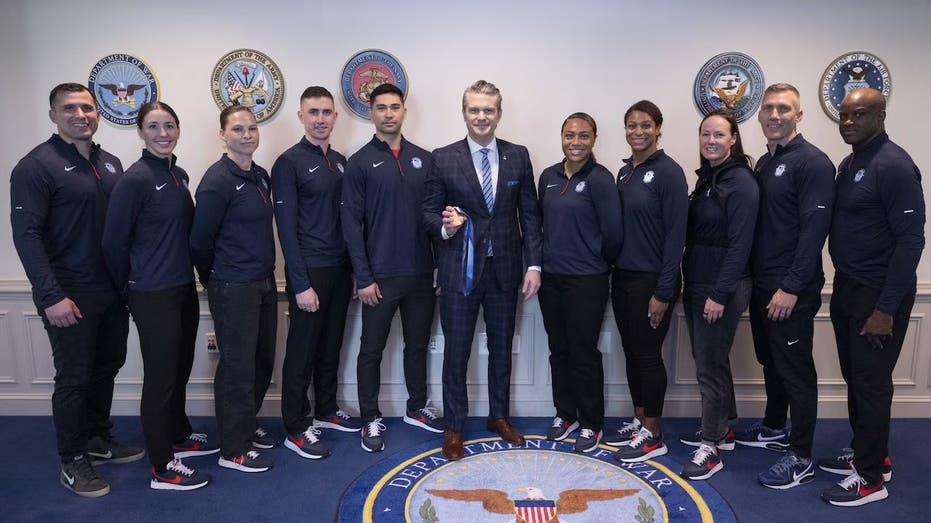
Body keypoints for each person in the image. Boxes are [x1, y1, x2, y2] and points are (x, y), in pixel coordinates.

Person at [10, 82, 143, 498]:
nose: (80, 114)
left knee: (108, 365)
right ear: (53, 115)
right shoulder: (36, 167)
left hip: (111, 291)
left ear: (97, 113)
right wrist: (50, 295)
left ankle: (97, 439)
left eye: (87, 107)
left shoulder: (112, 164)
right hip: (69, 292)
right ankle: (72, 460)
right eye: (69, 108)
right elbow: (26, 235)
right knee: (74, 378)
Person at [422, 80, 543, 461]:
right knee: (456, 352)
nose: (481, 116)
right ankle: (454, 426)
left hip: (506, 271)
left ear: (499, 114)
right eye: (474, 109)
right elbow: (427, 214)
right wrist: (445, 228)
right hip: (459, 272)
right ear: (464, 113)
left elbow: (531, 216)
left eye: (488, 110)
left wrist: (534, 264)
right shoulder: (442, 157)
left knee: (502, 349)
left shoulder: (519, 156)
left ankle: (498, 416)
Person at [102, 101, 216, 490]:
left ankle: (178, 435)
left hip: (182, 287)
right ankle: (162, 467)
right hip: (151, 293)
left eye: (169, 125)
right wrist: (129, 289)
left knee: (180, 368)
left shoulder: (177, 175)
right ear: (140, 132)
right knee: (160, 379)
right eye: (153, 126)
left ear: (178, 129)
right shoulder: (133, 180)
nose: (162, 133)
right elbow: (113, 243)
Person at [819, 88, 925, 507]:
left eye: (858, 114)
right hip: (848, 287)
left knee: (871, 384)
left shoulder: (895, 165)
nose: (848, 122)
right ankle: (869, 452)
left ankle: (870, 478)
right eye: (844, 115)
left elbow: (911, 241)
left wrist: (885, 309)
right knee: (856, 379)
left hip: (880, 295)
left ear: (881, 115)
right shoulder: (850, 163)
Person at [341, 83, 442, 453]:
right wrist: (363, 277)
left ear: (404, 111)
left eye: (394, 107)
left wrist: (438, 265)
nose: (388, 113)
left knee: (417, 346)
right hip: (378, 278)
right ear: (371, 113)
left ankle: (417, 407)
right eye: (381, 107)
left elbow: (434, 218)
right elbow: (351, 225)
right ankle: (370, 417)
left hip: (420, 274)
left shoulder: (424, 159)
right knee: (371, 350)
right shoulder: (359, 163)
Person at [744, 84, 835, 489]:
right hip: (763, 284)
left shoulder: (813, 163)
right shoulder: (765, 161)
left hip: (790, 288)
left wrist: (792, 286)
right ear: (759, 115)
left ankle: (801, 454)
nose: (775, 115)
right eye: (769, 108)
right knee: (772, 361)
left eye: (784, 109)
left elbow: (815, 229)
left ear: (799, 116)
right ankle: (774, 426)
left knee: (797, 370)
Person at [190, 105, 277, 473]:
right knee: (237, 368)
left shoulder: (259, 175)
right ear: (223, 135)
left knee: (261, 361)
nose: (247, 135)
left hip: (264, 281)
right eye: (238, 129)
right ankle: (233, 449)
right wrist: (216, 281)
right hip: (232, 285)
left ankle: (245, 424)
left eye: (252, 128)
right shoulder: (217, 181)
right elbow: (199, 242)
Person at [272, 86, 357, 461]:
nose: (321, 119)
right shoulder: (288, 162)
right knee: (302, 350)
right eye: (314, 113)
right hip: (309, 270)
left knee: (331, 344)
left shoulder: (340, 161)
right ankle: (295, 425)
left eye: (326, 112)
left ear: (335, 117)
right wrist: (300, 282)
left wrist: (354, 271)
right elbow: (285, 229)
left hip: (340, 269)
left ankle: (325, 409)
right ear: (301, 117)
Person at [679, 111, 758, 481]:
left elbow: (741, 245)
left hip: (720, 287)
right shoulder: (709, 179)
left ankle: (710, 445)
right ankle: (724, 425)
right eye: (705, 134)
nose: (710, 140)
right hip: (697, 283)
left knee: (708, 365)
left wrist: (719, 293)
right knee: (712, 358)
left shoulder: (740, 182)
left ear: (733, 140)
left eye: (718, 135)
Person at [608, 101, 688, 463]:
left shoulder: (670, 173)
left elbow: (676, 237)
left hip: (653, 279)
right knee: (631, 352)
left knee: (647, 355)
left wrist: (664, 291)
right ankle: (640, 420)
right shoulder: (624, 173)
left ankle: (654, 433)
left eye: (644, 125)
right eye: (631, 126)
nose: (637, 132)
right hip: (623, 276)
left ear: (658, 128)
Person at [538, 113, 621, 453]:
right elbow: (539, 224)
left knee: (583, 351)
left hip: (588, 279)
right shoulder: (548, 177)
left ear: (594, 140)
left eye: (583, 136)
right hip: (551, 278)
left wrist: (595, 261)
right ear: (561, 137)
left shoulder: (601, 179)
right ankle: (565, 413)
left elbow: (614, 233)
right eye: (570, 135)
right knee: (559, 349)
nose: (576, 142)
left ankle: (591, 423)